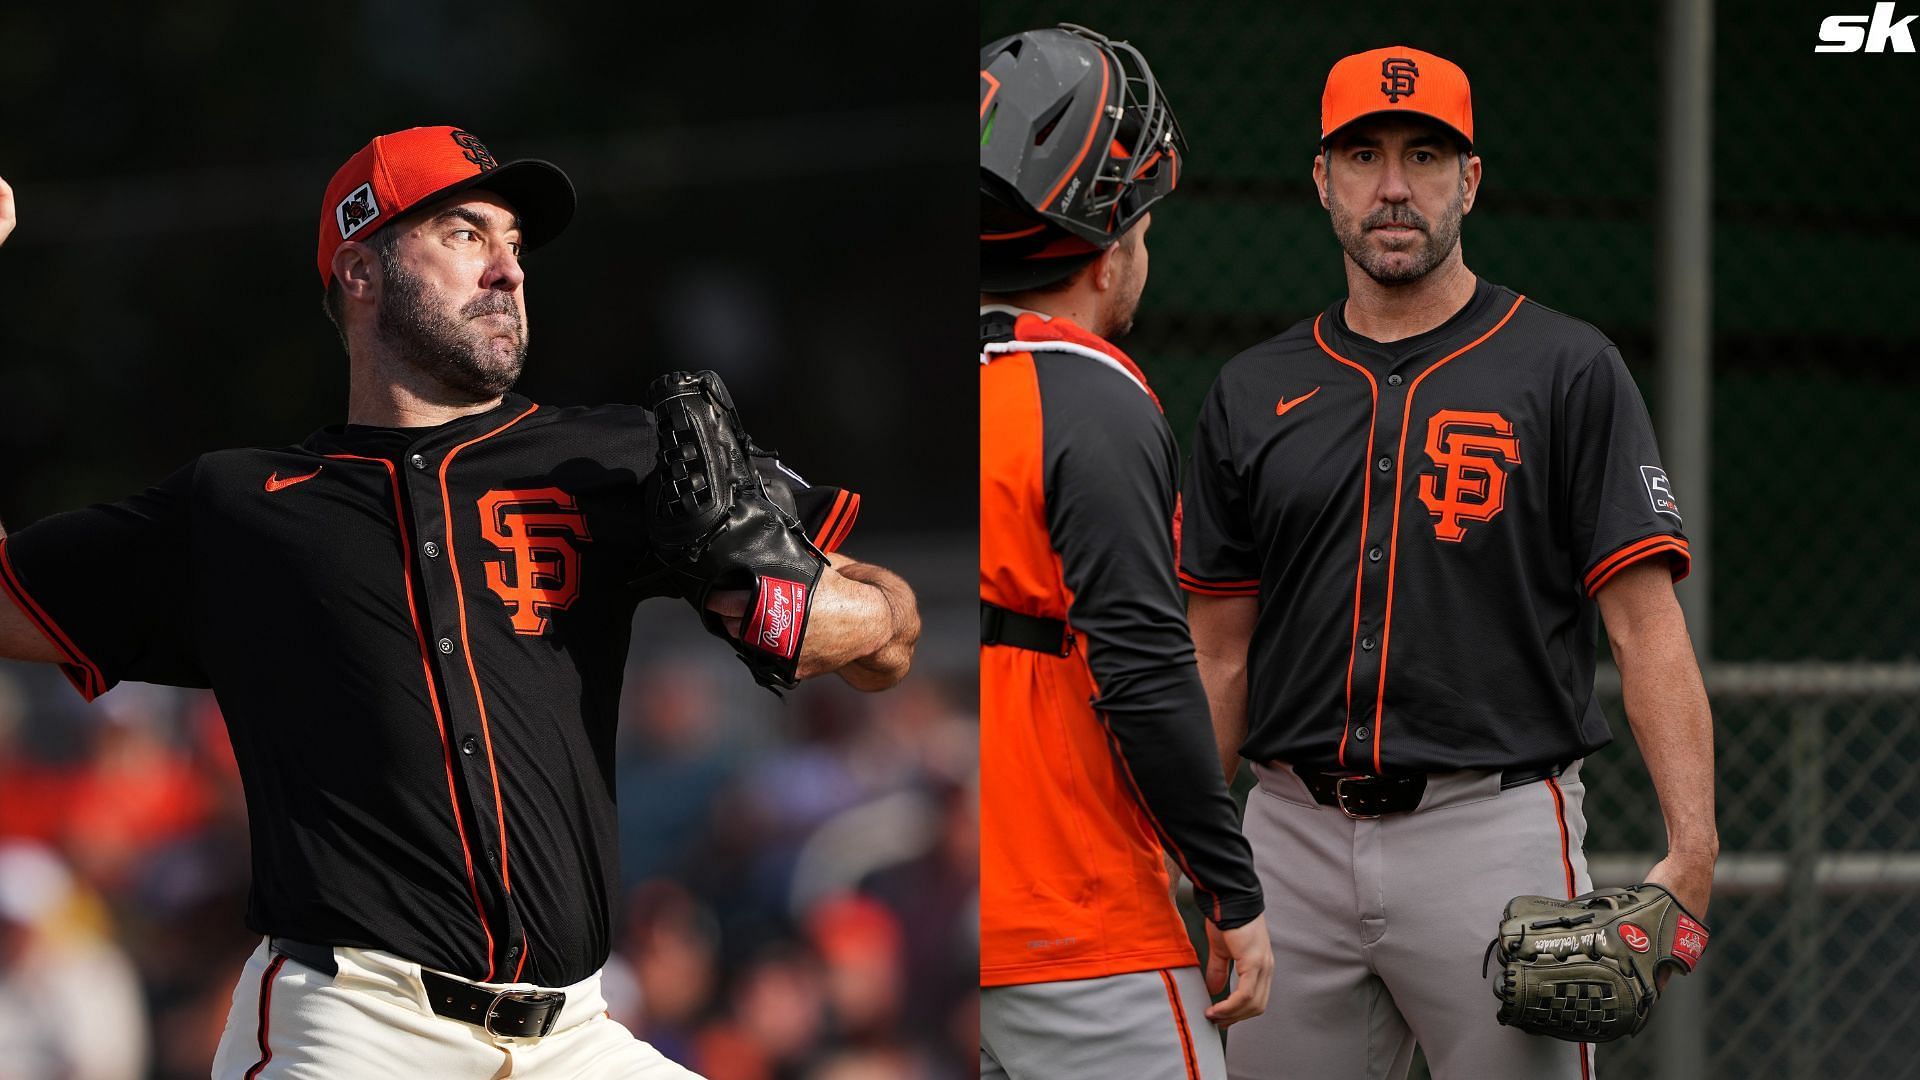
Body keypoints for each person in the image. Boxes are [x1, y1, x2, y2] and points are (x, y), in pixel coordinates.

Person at [0, 126, 919, 1078]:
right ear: (360, 270)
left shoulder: (612, 458)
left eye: (515, 244)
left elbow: (891, 624)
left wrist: (849, 618)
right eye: (465, 234)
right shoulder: (241, 508)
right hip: (356, 1029)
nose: (509, 271)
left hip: (575, 1036)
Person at [1179, 47, 1717, 1079]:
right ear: (1321, 180)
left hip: (1494, 829)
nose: (1393, 186)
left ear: (1469, 181)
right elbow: (1217, 655)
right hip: (1286, 834)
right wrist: (1206, 862)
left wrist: (1693, 847)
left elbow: (1645, 628)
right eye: (1365, 155)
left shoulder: (1565, 367)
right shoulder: (1253, 390)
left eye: (1425, 155)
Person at [978, 25, 1272, 1080]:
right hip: (1074, 926)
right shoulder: (1090, 392)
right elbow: (1145, 675)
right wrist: (1230, 887)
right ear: (1113, 249)